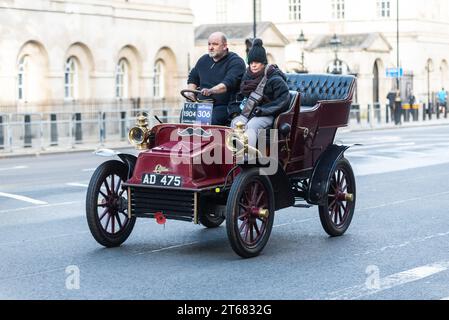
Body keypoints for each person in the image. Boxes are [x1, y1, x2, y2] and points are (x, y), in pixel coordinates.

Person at [230, 38, 290, 150]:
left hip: (267, 114)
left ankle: (247, 160)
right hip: (247, 113)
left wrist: (264, 110)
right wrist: (234, 112)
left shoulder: (274, 77)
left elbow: (284, 99)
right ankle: (233, 158)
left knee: (251, 126)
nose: (253, 65)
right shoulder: (246, 76)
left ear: (263, 62)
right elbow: (237, 96)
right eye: (251, 62)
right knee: (235, 123)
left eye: (257, 62)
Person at [187, 32, 246, 126]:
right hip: (201, 104)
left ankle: (207, 140)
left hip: (224, 106)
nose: (210, 47)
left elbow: (228, 83)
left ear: (224, 46)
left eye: (215, 44)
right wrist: (190, 92)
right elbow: (193, 77)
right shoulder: (203, 60)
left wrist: (211, 91)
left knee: (211, 118)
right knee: (184, 116)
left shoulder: (236, 62)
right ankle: (187, 140)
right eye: (209, 44)